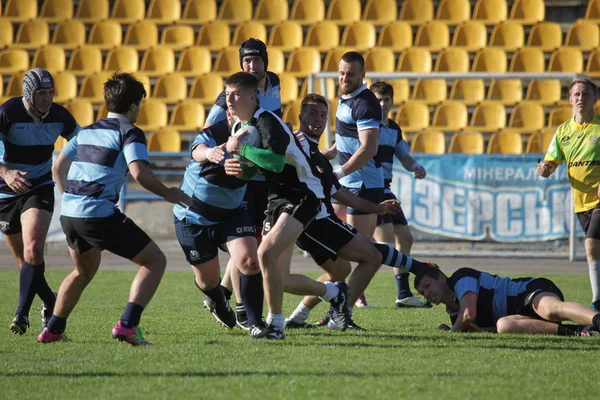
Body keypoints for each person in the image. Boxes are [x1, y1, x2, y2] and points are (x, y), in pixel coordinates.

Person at [39, 72, 192, 345]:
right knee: (155, 261)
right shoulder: (129, 132)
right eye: (140, 105)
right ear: (133, 105)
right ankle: (127, 326)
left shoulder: (86, 131)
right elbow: (140, 173)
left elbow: (56, 166)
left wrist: (71, 197)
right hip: (97, 214)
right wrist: (169, 193)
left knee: (83, 271)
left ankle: (52, 330)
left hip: (70, 214)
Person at [284, 94, 433, 330]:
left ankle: (297, 318)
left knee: (341, 269)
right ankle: (341, 313)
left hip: (328, 214)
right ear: (300, 116)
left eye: (323, 115)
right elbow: (338, 185)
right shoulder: (296, 144)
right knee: (371, 254)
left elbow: (336, 189)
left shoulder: (315, 152)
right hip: (315, 219)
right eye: (312, 113)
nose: (319, 119)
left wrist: (378, 206)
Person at [223, 72, 348, 340]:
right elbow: (254, 171)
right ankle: (334, 293)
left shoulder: (267, 121)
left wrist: (241, 151)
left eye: (235, 94)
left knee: (265, 253)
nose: (229, 100)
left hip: (305, 193)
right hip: (277, 198)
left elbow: (277, 164)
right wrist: (238, 169)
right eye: (226, 94)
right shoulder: (238, 127)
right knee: (277, 273)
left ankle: (276, 326)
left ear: (252, 96)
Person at [204, 38, 282, 327]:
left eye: (256, 59)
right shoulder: (229, 97)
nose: (251, 65)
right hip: (246, 177)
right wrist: (228, 154)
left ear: (265, 61)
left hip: (268, 177)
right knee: (248, 243)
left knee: (256, 241)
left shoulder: (274, 84)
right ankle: (239, 308)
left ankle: (221, 294)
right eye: (246, 61)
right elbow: (209, 131)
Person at [0, 68, 80, 335]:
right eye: (42, 93)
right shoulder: (8, 112)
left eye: (51, 92)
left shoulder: (60, 115)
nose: (48, 99)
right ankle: (50, 301)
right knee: (25, 264)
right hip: (6, 192)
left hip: (40, 186)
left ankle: (20, 315)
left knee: (33, 248)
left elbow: (82, 141)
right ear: (28, 94)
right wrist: (6, 173)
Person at [173, 110, 264, 332]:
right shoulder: (214, 132)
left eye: (239, 99)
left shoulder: (261, 133)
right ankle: (218, 299)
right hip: (193, 216)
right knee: (208, 281)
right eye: (229, 103)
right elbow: (197, 151)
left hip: (232, 212)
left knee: (251, 261)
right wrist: (211, 153)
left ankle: (255, 324)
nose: (233, 108)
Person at [322, 51, 383, 308]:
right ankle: (338, 296)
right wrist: (328, 154)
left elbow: (368, 148)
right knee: (335, 246)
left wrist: (340, 170)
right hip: (347, 182)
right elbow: (349, 136)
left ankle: (348, 300)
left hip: (364, 186)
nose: (344, 78)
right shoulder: (346, 96)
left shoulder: (366, 103)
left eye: (350, 74)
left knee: (360, 250)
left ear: (362, 75)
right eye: (342, 73)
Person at [536, 78, 600, 312]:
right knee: (595, 248)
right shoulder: (563, 131)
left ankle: (597, 303)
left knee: (591, 244)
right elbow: (552, 161)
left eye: (586, 94)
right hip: (581, 202)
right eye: (577, 94)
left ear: (595, 99)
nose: (581, 98)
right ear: (570, 99)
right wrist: (545, 169)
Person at [370, 81, 429, 309]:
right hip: (371, 191)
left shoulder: (393, 129)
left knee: (405, 240)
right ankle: (349, 291)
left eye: (386, 100)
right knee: (382, 246)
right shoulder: (365, 125)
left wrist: (416, 167)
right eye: (377, 100)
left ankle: (403, 294)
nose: (382, 104)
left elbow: (404, 156)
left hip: (386, 189)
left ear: (392, 102)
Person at [414, 266, 600, 336]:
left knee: (549, 310)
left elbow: (468, 314)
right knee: (503, 325)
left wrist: (452, 333)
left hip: (526, 291)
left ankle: (597, 320)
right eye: (422, 292)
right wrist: (469, 330)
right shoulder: (453, 314)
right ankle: (576, 331)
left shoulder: (461, 278)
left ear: (440, 277)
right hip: (520, 316)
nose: (426, 293)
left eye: (427, 286)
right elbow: (488, 329)